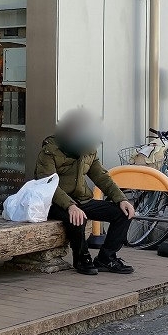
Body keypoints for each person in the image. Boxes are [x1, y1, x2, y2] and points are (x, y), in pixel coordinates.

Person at [35, 109, 137, 275]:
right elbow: (46, 183)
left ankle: (107, 258)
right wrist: (69, 205)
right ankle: (82, 257)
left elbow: (102, 177)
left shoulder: (88, 149)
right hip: (55, 202)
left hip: (82, 200)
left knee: (123, 213)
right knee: (77, 217)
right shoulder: (51, 150)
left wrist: (121, 199)